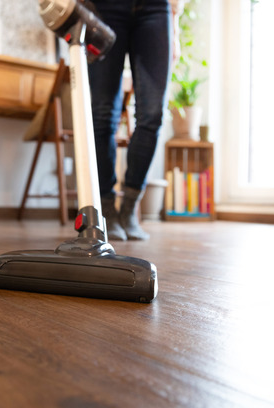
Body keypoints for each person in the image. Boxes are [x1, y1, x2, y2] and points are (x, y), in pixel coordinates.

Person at [88, 0, 184, 241]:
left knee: (153, 115)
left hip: (155, 9)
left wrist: (174, 22)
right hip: (104, 8)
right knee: (102, 113)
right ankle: (107, 209)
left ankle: (130, 208)